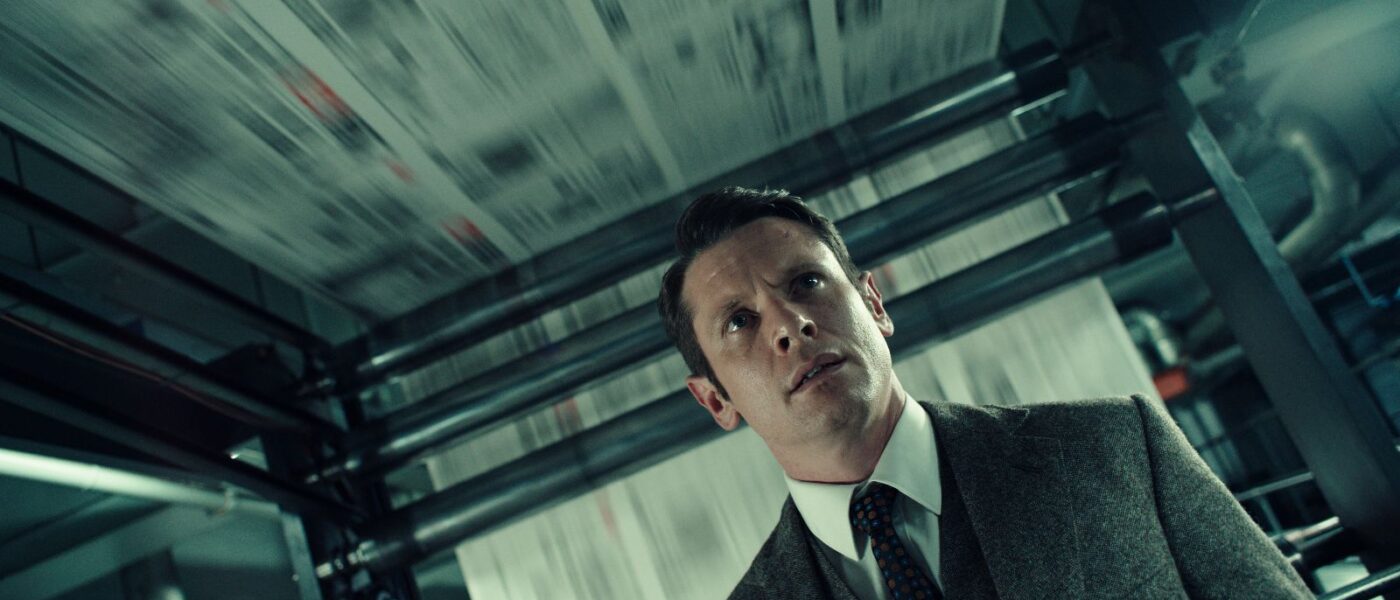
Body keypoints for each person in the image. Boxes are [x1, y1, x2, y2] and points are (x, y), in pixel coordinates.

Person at [657, 187, 1311, 599]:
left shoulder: (1115, 447)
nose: (790, 325)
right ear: (715, 401)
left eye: (806, 283)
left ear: (873, 303)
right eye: (739, 321)